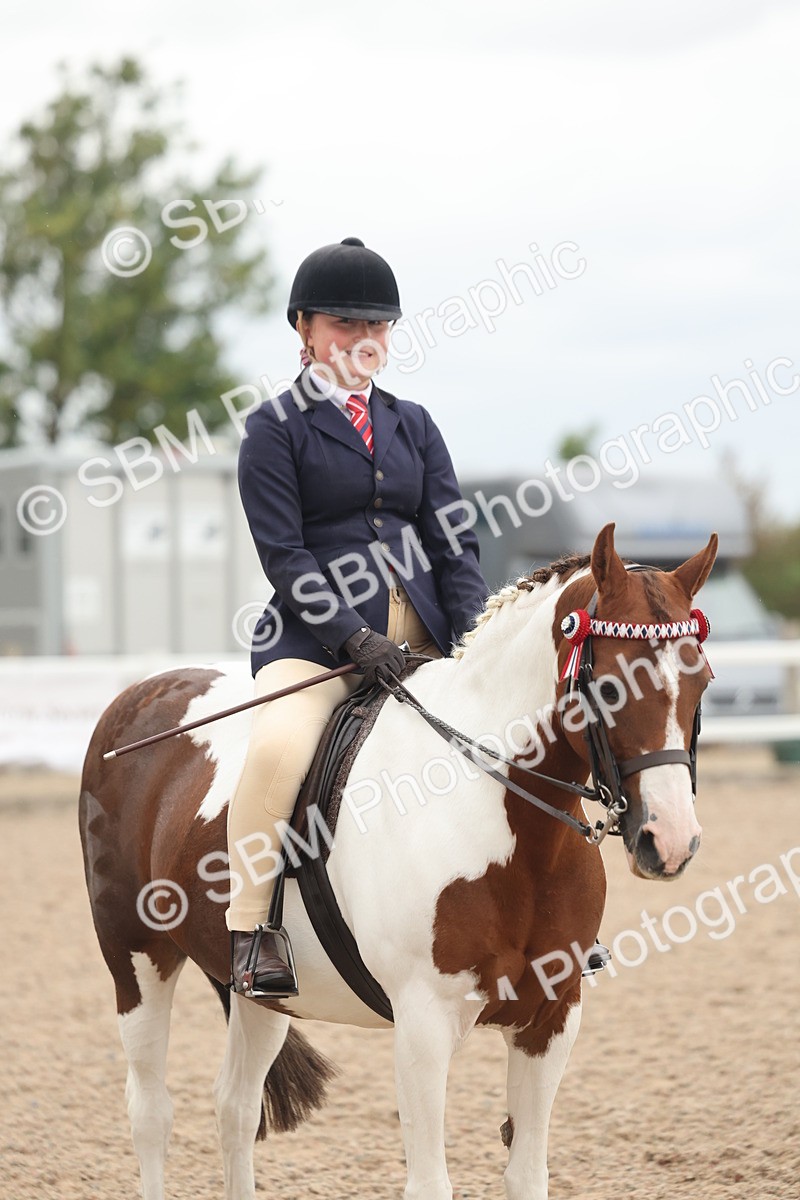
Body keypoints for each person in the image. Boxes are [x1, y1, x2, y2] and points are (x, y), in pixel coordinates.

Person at [226, 236, 490, 997]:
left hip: (427, 637)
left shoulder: (413, 424)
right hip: (317, 644)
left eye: (376, 326)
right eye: (345, 324)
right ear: (304, 328)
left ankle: (555, 920)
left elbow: (455, 543)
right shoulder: (274, 429)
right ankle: (251, 929)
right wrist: (352, 635)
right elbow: (286, 556)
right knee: (279, 749)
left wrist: (471, 640)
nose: (363, 339)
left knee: (522, 736)